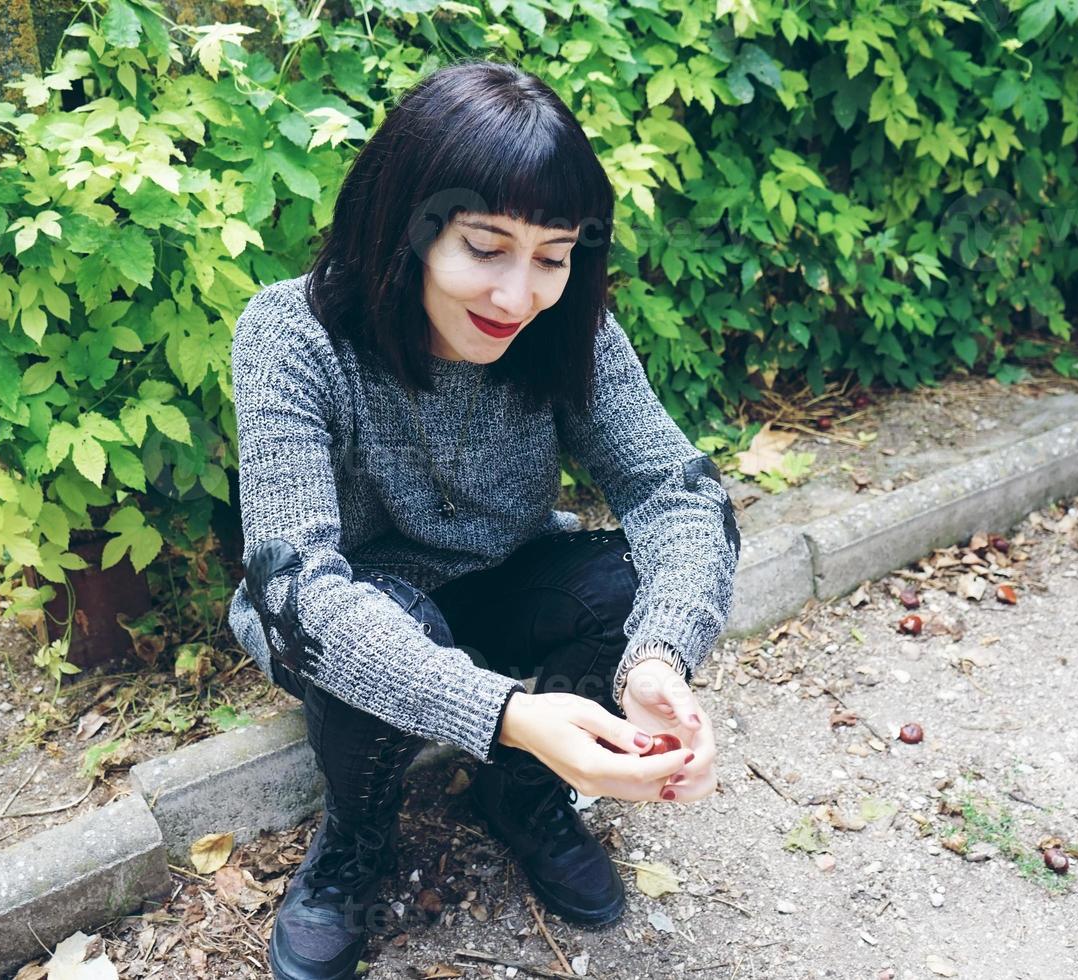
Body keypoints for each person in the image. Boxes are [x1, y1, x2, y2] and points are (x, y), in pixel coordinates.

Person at [228, 59, 740, 980]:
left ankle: (524, 795)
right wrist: (507, 711)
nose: (518, 296)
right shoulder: (291, 335)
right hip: (346, 611)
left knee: (626, 584)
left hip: (500, 579)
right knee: (371, 625)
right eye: (485, 246)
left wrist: (662, 654)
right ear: (407, 224)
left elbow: (680, 493)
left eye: (552, 256)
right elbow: (295, 587)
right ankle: (355, 841)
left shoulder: (569, 331)